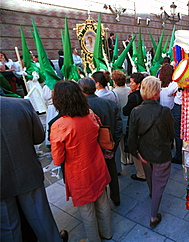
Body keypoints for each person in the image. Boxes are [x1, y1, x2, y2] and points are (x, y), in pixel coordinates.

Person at [50, 81, 112, 241]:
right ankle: (107, 232)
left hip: (79, 172)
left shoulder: (59, 125)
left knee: (87, 210)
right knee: (102, 200)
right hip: (97, 164)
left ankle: (93, 239)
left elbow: (57, 159)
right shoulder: (90, 114)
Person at [0, 96, 68, 242]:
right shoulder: (20, 104)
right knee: (41, 218)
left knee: (8, 229)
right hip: (26, 171)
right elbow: (39, 137)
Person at [127, 76, 174, 228]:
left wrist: (137, 153)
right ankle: (153, 216)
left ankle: (152, 194)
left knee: (150, 177)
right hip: (161, 153)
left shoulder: (135, 111)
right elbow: (170, 133)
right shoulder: (165, 111)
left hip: (144, 152)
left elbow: (131, 137)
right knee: (159, 183)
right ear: (157, 93)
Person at [78, 77, 122, 206]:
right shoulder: (109, 103)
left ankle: (101, 200)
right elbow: (118, 127)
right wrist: (113, 145)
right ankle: (116, 197)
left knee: (96, 175)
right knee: (112, 171)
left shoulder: (80, 108)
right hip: (108, 145)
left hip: (91, 149)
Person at [123, 72, 146, 181]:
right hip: (145, 123)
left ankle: (141, 173)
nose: (130, 84)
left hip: (135, 125)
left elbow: (125, 111)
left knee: (136, 149)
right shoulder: (145, 93)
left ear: (138, 84)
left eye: (132, 82)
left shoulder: (133, 97)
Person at [112, 70, 132, 167]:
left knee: (121, 142)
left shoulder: (113, 93)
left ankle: (124, 159)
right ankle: (131, 158)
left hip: (120, 118)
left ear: (115, 82)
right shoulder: (129, 90)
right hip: (130, 119)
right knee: (130, 139)